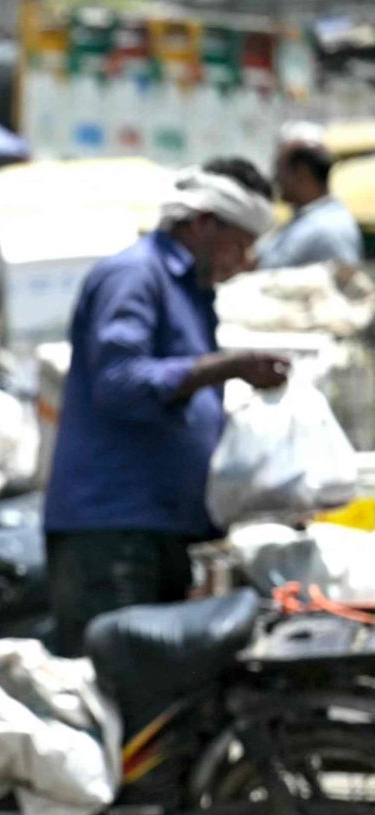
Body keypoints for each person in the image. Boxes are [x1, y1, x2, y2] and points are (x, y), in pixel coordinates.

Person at [43, 160, 289, 654]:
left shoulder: (191, 292)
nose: (243, 261)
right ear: (202, 224)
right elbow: (120, 382)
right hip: (112, 530)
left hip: (162, 528)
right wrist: (228, 367)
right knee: (114, 696)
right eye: (239, 243)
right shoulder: (135, 275)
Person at [259, 123, 363, 270]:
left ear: (302, 173)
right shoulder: (304, 220)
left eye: (280, 169)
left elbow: (340, 288)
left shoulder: (331, 230)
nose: (276, 178)